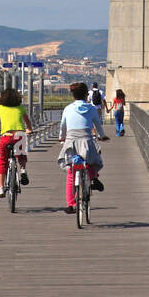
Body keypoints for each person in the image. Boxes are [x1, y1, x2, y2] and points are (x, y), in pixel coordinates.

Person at [57, 81, 108, 214]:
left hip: (71, 142)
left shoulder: (67, 109)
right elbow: (98, 125)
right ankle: (94, 177)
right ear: (87, 95)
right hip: (86, 141)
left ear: (73, 95)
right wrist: (102, 136)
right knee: (92, 161)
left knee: (70, 173)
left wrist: (61, 137)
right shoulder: (91, 109)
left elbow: (63, 126)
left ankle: (70, 204)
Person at [0, 87, 33, 198]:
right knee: (21, 156)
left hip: (6, 137)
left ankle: (0, 188)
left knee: (3, 160)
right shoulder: (20, 108)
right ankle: (22, 170)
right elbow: (27, 122)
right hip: (20, 136)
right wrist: (29, 129)